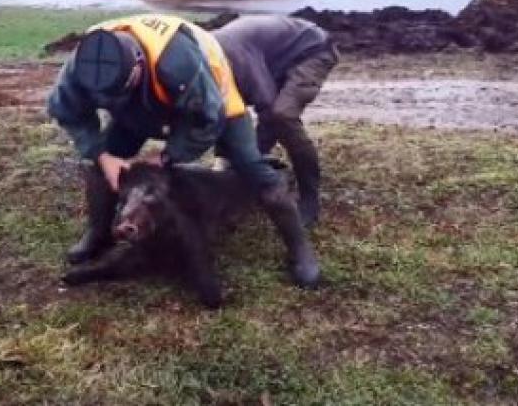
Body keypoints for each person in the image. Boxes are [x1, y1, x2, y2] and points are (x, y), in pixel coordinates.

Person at [47, 14, 320, 288]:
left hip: (215, 102)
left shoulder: (177, 62)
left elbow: (206, 122)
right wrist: (102, 156)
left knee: (252, 168)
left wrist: (168, 155)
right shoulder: (83, 65)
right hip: (138, 107)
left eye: (121, 90)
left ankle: (299, 250)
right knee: (100, 162)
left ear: (139, 65)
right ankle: (98, 233)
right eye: (105, 98)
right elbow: (67, 111)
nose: (111, 101)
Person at [213, 15, 337, 228]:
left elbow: (266, 105)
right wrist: (224, 158)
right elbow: (223, 110)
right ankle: (251, 171)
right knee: (259, 129)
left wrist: (248, 154)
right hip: (276, 59)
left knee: (282, 116)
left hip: (313, 50)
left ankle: (310, 198)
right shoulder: (207, 62)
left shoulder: (234, 54)